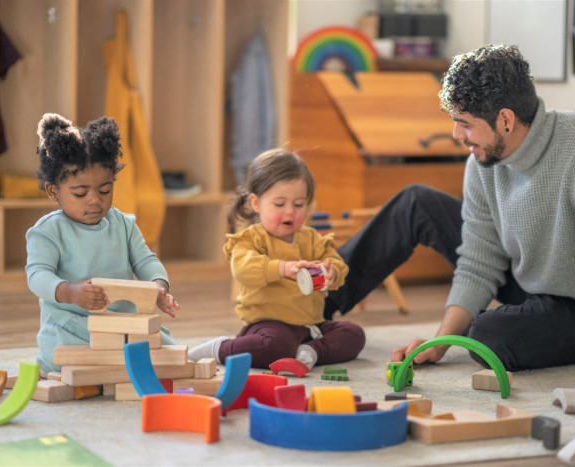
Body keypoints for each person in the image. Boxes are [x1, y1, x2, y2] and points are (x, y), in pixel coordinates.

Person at [322, 44, 575, 391]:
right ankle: (312, 304)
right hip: (529, 282)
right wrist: (442, 341)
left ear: (506, 120)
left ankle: (500, 325)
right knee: (416, 202)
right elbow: (478, 260)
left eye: (464, 124)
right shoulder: (482, 163)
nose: (456, 135)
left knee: (487, 335)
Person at [26, 113, 180, 372]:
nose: (95, 200)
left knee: (165, 347)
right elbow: (37, 275)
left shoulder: (123, 224)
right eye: (80, 193)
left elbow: (146, 260)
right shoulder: (48, 231)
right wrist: (70, 291)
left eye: (105, 190)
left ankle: (118, 363)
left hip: (122, 323)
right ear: (53, 191)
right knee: (62, 354)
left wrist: (158, 287)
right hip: (71, 324)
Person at [187, 149, 365, 369]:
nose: (290, 212)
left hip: (311, 326)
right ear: (257, 203)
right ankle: (221, 349)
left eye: (299, 205)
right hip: (267, 325)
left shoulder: (311, 238)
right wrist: (282, 268)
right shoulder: (252, 238)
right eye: (279, 204)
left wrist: (332, 271)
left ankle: (310, 351)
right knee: (275, 346)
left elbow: (336, 262)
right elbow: (243, 269)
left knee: (354, 334)